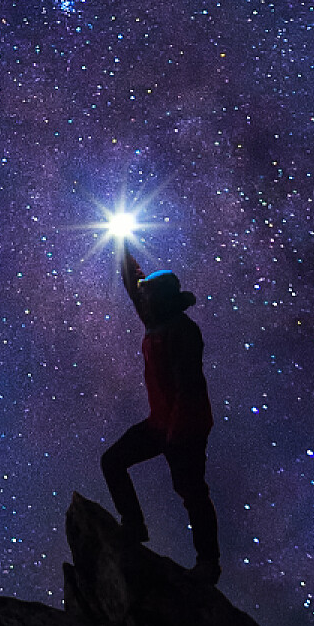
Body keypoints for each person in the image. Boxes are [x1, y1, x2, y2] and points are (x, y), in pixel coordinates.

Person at [102, 250, 221, 584]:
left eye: (149, 294)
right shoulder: (155, 319)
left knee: (191, 491)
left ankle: (208, 563)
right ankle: (135, 526)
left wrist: (175, 435)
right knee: (113, 461)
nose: (143, 297)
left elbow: (190, 387)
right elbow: (133, 283)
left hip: (186, 427)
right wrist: (122, 244)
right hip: (161, 423)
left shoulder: (182, 331)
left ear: (163, 300)